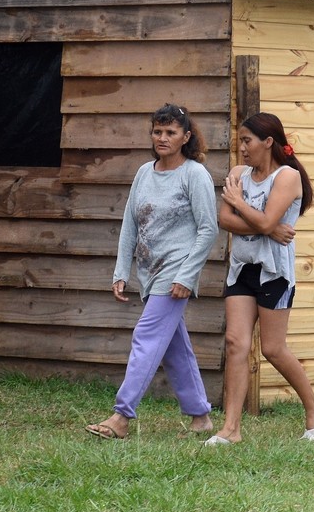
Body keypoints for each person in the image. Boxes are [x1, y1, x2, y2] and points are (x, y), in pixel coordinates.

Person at [88, 104, 218, 440]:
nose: (162, 138)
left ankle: (121, 416)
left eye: (171, 132)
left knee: (146, 338)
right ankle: (201, 417)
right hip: (150, 270)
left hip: (176, 272)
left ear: (185, 137)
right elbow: (130, 224)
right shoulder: (145, 172)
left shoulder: (194, 174)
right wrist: (121, 271)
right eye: (158, 131)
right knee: (175, 347)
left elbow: (208, 229)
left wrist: (187, 276)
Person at [205, 112, 314, 445]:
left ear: (268, 142)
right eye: (240, 140)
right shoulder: (238, 173)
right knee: (236, 343)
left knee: (273, 349)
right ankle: (231, 429)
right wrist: (267, 225)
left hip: (274, 272)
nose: (242, 147)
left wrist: (241, 205)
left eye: (247, 140)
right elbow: (226, 220)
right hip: (242, 269)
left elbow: (257, 220)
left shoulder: (287, 177)